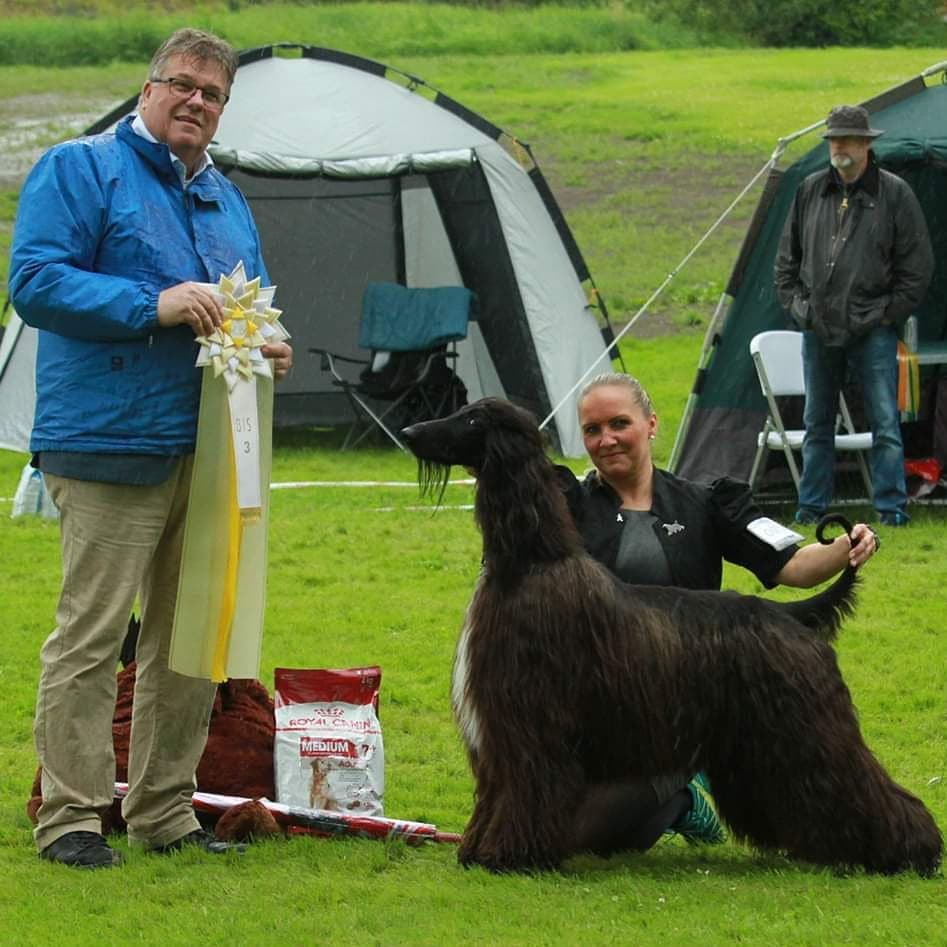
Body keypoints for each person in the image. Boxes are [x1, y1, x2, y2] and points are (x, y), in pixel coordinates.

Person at [9, 28, 293, 869]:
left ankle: (166, 811)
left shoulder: (226, 197)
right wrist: (153, 301)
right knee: (93, 638)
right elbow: (34, 281)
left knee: (191, 639)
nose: (196, 102)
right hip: (105, 443)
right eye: (182, 84)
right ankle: (69, 815)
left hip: (209, 453)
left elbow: (245, 301)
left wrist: (267, 340)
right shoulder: (80, 168)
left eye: (212, 94)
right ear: (149, 87)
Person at [558, 372, 880, 851]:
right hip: (602, 705)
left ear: (650, 425)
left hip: (688, 702)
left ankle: (689, 793)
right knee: (570, 835)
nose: (605, 440)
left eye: (618, 424)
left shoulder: (706, 503)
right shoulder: (568, 509)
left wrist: (843, 550)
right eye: (592, 430)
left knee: (596, 835)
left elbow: (790, 563)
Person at [775, 104, 934, 527]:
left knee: (885, 422)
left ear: (866, 144)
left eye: (845, 139)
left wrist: (886, 315)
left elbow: (918, 267)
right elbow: (785, 262)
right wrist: (800, 309)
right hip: (819, 327)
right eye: (832, 139)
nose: (837, 146)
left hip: (873, 328)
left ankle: (890, 507)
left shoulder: (895, 193)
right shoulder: (810, 190)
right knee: (817, 423)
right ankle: (811, 507)